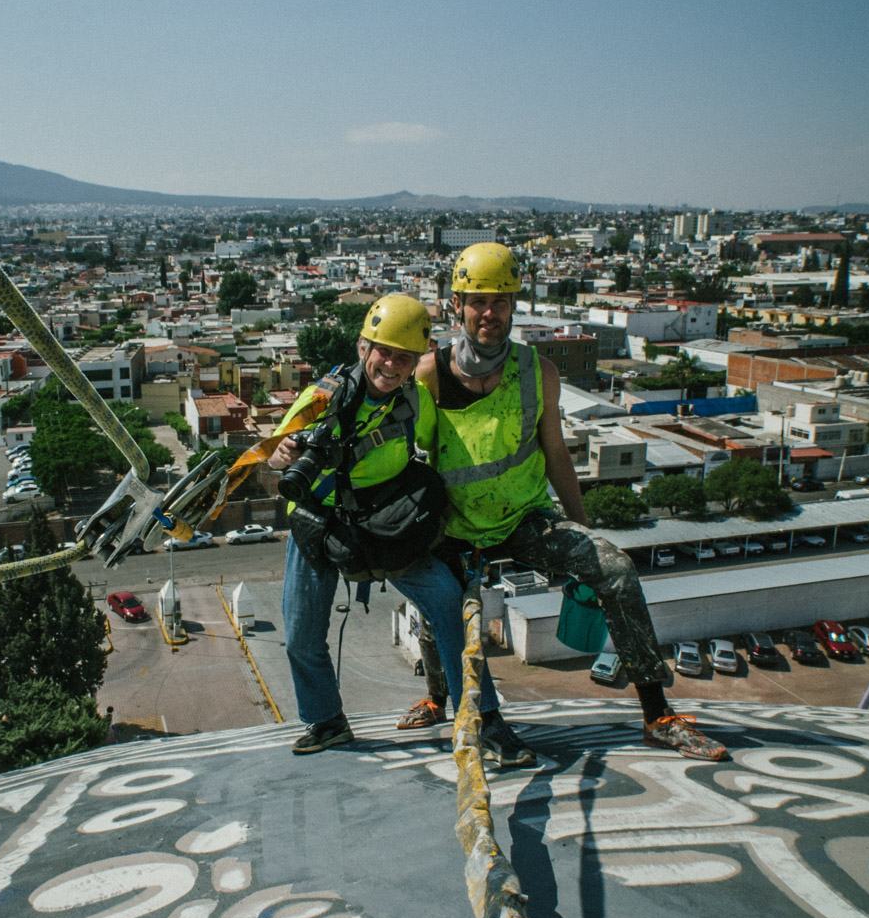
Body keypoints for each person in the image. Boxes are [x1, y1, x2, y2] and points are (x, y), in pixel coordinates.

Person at [415, 242, 727, 763]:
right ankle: (434, 696)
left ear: (515, 304)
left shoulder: (538, 372)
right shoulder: (431, 376)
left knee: (616, 570)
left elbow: (556, 452)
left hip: (522, 517)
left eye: (501, 300)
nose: (489, 312)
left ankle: (658, 715)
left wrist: (583, 537)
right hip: (455, 526)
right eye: (478, 301)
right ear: (458, 305)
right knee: (437, 611)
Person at [270, 293, 505, 755]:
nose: (392, 365)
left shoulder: (417, 403)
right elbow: (281, 454)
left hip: (384, 525)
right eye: (384, 352)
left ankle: (479, 715)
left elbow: (438, 458)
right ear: (363, 347)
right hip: (319, 524)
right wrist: (281, 456)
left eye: (404, 357)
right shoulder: (320, 398)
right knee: (300, 634)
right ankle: (326, 721)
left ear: (416, 361)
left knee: (449, 606)